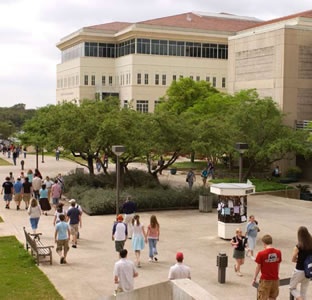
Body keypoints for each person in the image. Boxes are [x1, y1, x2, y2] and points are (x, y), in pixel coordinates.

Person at [252, 234, 282, 300]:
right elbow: (278, 265)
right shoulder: (278, 252)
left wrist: (254, 278)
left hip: (265, 280)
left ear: (264, 243)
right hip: (275, 279)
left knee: (262, 297)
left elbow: (258, 267)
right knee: (273, 297)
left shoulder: (261, 254)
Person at [289, 226, 312, 300]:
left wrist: (296, 260)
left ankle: (300, 299)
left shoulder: (298, 246)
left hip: (299, 270)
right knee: (304, 291)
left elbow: (293, 258)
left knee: (292, 288)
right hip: (308, 270)